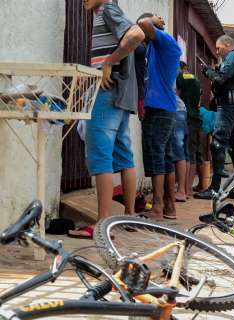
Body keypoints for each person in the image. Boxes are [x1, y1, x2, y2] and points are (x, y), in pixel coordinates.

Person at [69, 0, 144, 239]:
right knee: (124, 156)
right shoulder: (110, 12)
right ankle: (129, 217)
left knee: (100, 156)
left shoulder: (108, 10)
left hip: (107, 95)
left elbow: (137, 34)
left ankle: (102, 225)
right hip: (120, 96)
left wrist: (109, 62)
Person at [194, 35, 234, 200]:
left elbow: (221, 78)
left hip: (227, 107)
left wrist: (208, 72)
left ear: (227, 44)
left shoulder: (233, 56)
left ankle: (214, 189)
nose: (217, 52)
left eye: (219, 48)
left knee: (217, 145)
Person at [137, 13, 182, 220]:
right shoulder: (155, 48)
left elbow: (143, 23)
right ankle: (169, 207)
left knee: (157, 156)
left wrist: (152, 21)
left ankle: (156, 207)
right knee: (166, 158)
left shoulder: (165, 42)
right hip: (165, 109)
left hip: (159, 110)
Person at [176, 62, 204, 195]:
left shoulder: (183, 77)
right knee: (193, 153)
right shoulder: (195, 79)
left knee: (188, 154)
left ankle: (186, 188)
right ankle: (188, 188)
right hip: (196, 118)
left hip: (189, 118)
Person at [173, 93, 189, 202]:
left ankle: (181, 190)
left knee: (178, 152)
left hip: (174, 109)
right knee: (182, 152)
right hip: (180, 109)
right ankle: (183, 189)